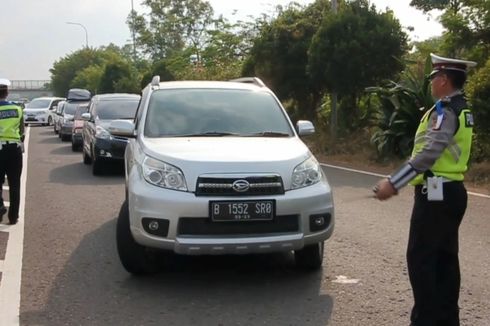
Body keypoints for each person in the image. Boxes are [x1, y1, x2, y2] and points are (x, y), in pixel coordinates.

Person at [373, 53, 477, 326]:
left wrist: (394, 182)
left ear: (443, 80)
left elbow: (428, 154)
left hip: (436, 196)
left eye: (433, 78)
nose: (431, 83)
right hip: (451, 191)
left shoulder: (444, 110)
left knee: (422, 262)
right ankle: (446, 320)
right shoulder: (462, 108)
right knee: (444, 262)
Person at [0, 78, 25, 225]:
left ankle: (0, 208)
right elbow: (22, 131)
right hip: (14, 149)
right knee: (15, 183)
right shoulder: (17, 109)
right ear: (7, 93)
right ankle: (13, 216)